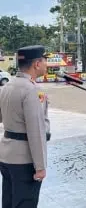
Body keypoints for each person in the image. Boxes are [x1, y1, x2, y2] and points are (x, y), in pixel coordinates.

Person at [0, 45, 50, 208]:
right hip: (24, 160)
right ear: (36, 64)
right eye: (45, 61)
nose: (46, 65)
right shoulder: (32, 90)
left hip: (6, 156)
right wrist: (40, 167)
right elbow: (36, 131)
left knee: (8, 202)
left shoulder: (7, 86)